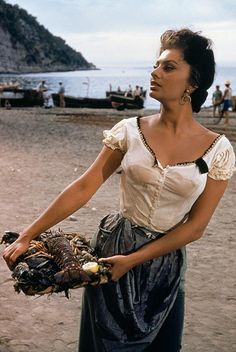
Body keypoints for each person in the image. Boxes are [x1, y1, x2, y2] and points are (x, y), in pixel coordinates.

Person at [3, 29, 236, 352]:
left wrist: (135, 259)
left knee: (163, 345)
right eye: (156, 65)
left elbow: (196, 227)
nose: (154, 73)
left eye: (168, 67)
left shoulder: (218, 149)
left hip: (165, 260)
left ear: (193, 82)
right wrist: (28, 235)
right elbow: (85, 185)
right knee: (104, 343)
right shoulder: (129, 131)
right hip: (114, 246)